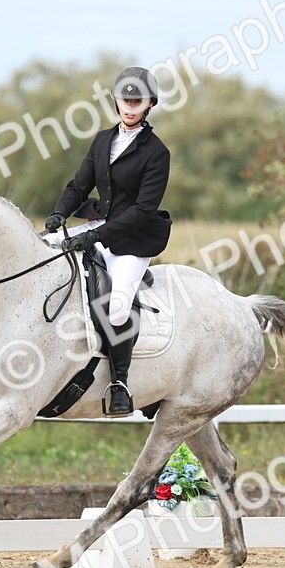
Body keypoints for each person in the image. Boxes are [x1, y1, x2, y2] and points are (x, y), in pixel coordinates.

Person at [44, 66, 172, 417]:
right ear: (115, 101)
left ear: (149, 104)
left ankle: (120, 383)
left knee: (116, 308)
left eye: (137, 101)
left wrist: (96, 234)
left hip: (131, 240)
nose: (129, 107)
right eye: (124, 100)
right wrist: (59, 215)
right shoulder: (103, 140)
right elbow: (78, 185)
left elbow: (144, 209)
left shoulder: (157, 152)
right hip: (96, 225)